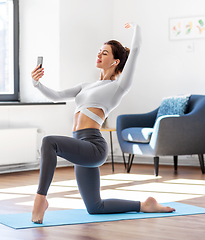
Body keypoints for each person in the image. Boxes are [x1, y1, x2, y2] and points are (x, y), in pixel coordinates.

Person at [30, 22, 175, 224]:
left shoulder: (118, 87)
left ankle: (40, 199)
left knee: (49, 142)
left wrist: (137, 27)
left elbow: (136, 50)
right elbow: (56, 96)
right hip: (81, 146)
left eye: (104, 53)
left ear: (115, 62)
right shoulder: (86, 86)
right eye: (99, 51)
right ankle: (144, 205)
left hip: (93, 146)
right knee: (95, 207)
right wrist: (37, 84)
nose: (99, 55)